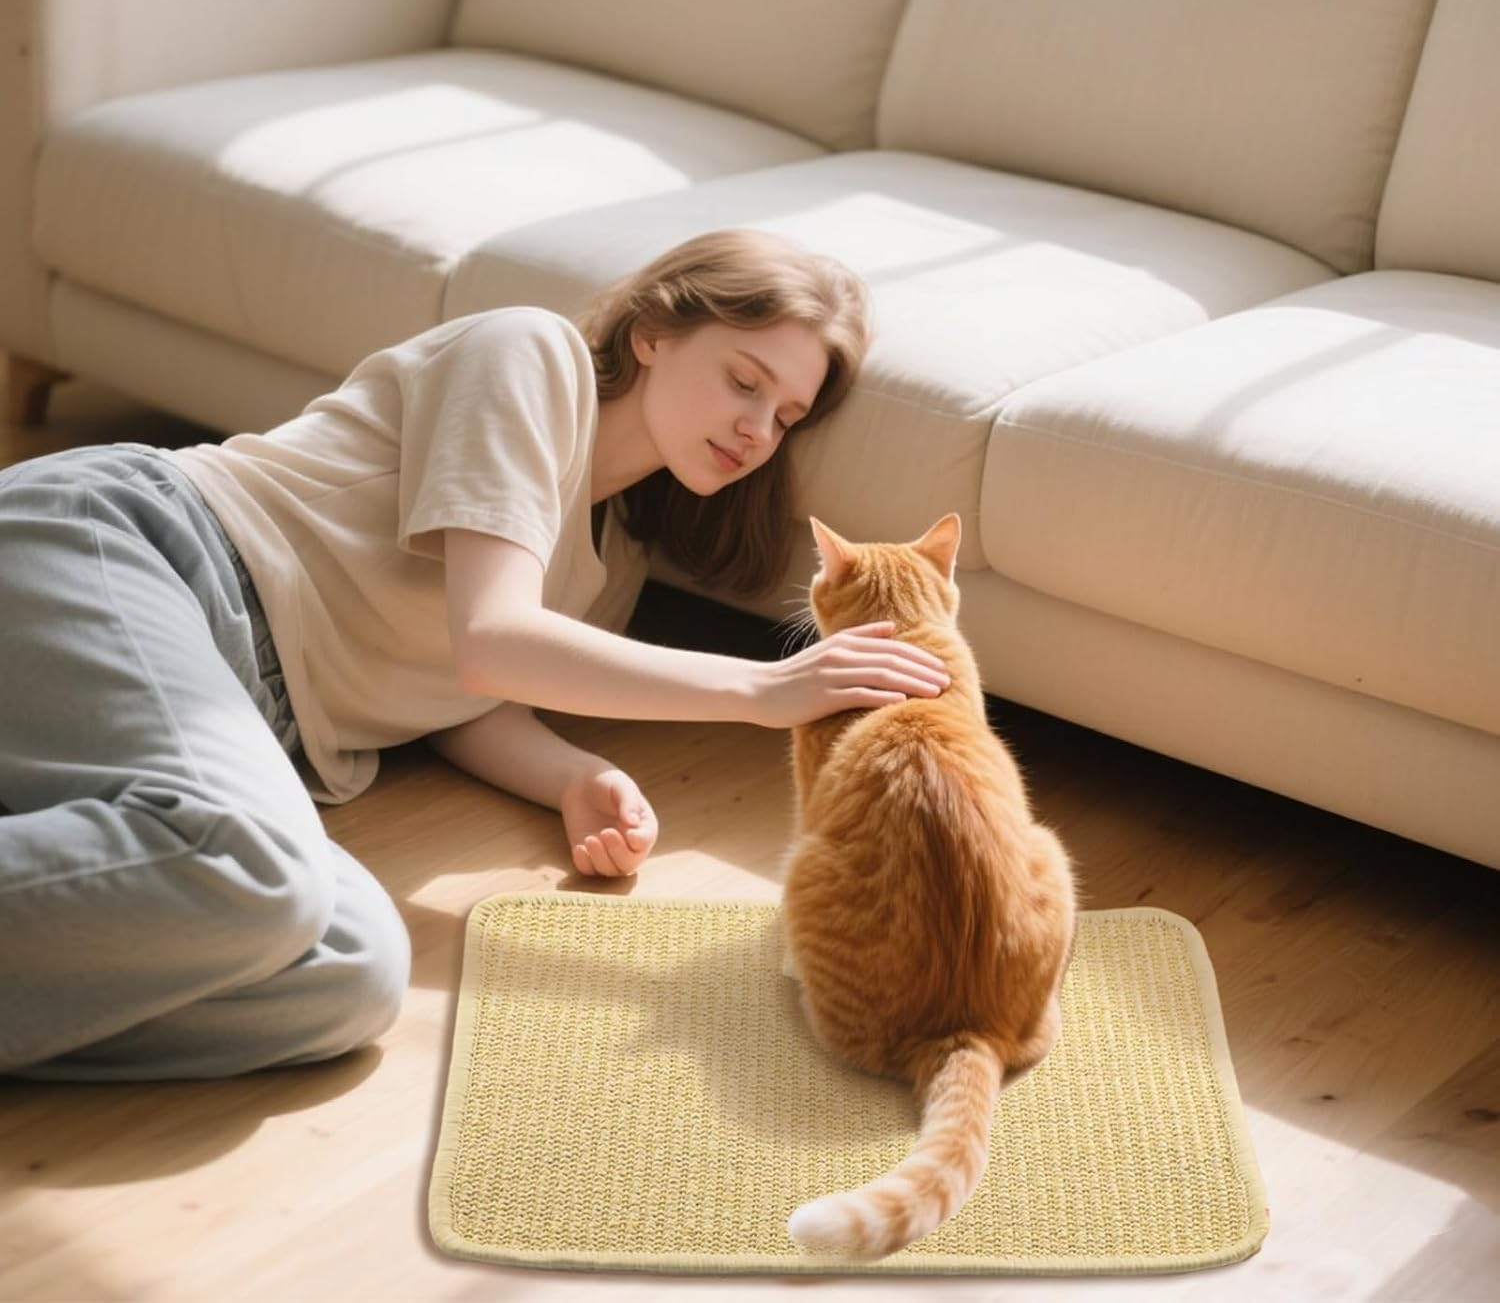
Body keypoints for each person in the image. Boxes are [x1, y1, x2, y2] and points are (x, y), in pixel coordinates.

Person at [0, 229, 950, 1082]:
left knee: (351, 979)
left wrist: (571, 775)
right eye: (746, 381)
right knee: (257, 871)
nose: (757, 429)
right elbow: (492, 642)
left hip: (236, 699)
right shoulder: (529, 355)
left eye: (786, 415)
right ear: (654, 333)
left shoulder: (612, 559)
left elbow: (459, 690)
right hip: (135, 549)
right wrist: (761, 688)